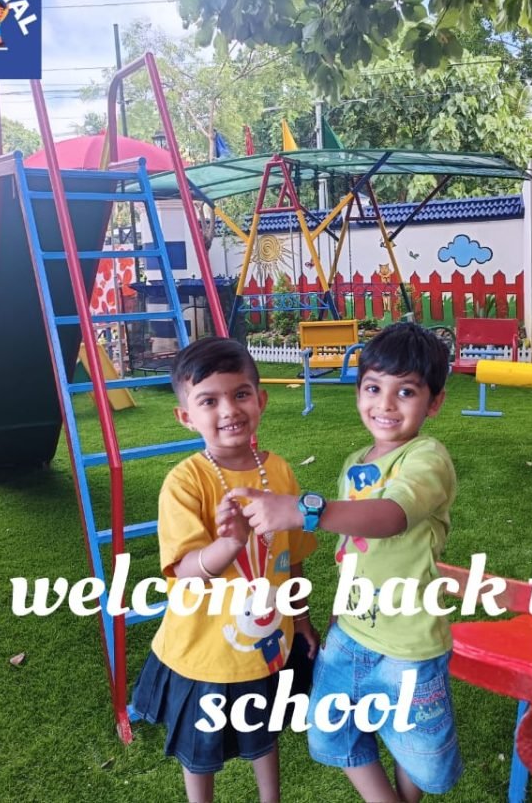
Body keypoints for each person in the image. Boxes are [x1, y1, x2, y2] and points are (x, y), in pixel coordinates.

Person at [226, 322, 460, 802]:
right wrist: (338, 611)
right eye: (373, 388)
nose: (386, 404)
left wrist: (303, 511)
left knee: (416, 751)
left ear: (434, 402)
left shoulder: (427, 458)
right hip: (350, 632)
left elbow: (391, 516)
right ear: (358, 392)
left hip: (408, 645)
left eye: (406, 391)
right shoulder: (355, 462)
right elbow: (352, 548)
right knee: (331, 730)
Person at [131, 336, 319, 803]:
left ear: (261, 400)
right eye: (209, 401)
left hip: (267, 642)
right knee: (200, 750)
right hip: (204, 650)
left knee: (265, 732)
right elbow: (185, 570)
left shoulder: (280, 471)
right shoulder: (185, 481)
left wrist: (301, 618)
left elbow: (291, 555)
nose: (229, 410)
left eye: (240, 394)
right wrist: (229, 545)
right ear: (185, 416)